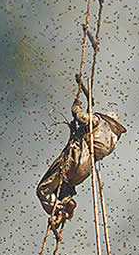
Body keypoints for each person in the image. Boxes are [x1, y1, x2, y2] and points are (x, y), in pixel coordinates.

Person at [36, 74, 126, 228]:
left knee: (43, 189)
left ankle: (58, 208)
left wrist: (76, 107)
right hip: (85, 170)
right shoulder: (111, 143)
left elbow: (81, 117)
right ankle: (63, 208)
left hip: (76, 155)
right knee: (64, 185)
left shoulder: (98, 122)